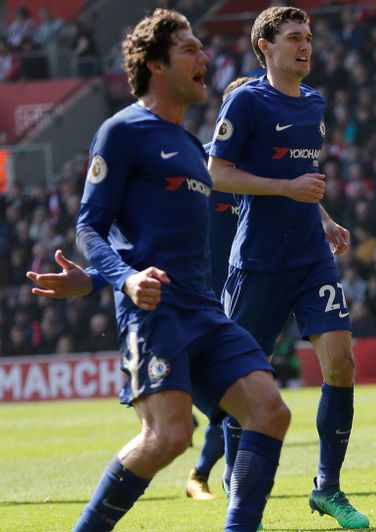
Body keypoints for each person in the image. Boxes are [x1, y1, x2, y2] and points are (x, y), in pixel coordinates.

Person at [70, 9, 289, 531]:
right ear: (155, 64)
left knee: (270, 412)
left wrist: (94, 279)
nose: (204, 57)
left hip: (205, 310)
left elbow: (166, 243)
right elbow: (90, 227)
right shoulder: (122, 132)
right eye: (189, 49)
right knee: (169, 436)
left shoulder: (193, 149)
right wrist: (120, 279)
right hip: (156, 310)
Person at [27, 76, 257, 503]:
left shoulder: (260, 176)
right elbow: (149, 249)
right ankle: (207, 476)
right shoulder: (197, 168)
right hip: (176, 307)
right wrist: (97, 279)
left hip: (224, 305)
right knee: (182, 428)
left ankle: (226, 491)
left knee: (258, 408)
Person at [206, 7, 367, 529]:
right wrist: (285, 189)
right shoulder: (245, 101)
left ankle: (328, 487)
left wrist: (324, 218)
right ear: (265, 46)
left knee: (341, 362)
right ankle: (239, 485)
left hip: (311, 258)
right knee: (244, 380)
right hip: (258, 262)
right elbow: (217, 172)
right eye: (294, 37)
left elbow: (302, 177)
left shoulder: (314, 102)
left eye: (308, 38)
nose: (305, 46)